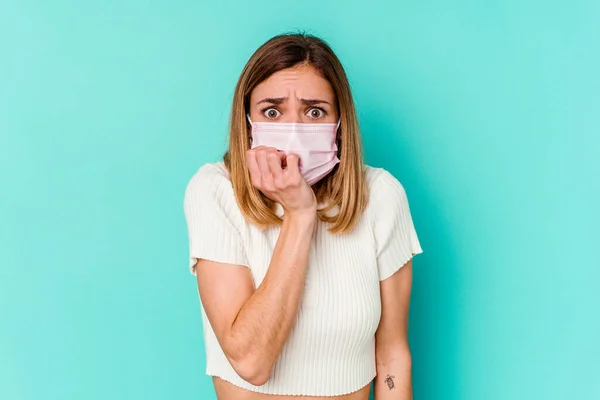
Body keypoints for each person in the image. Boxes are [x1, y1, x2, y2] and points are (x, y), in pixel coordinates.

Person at [183, 33, 423, 400]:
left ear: (339, 122)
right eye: (272, 112)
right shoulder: (215, 191)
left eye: (314, 112)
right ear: (248, 121)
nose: (293, 130)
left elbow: (391, 356)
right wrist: (299, 214)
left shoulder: (381, 196)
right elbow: (251, 361)